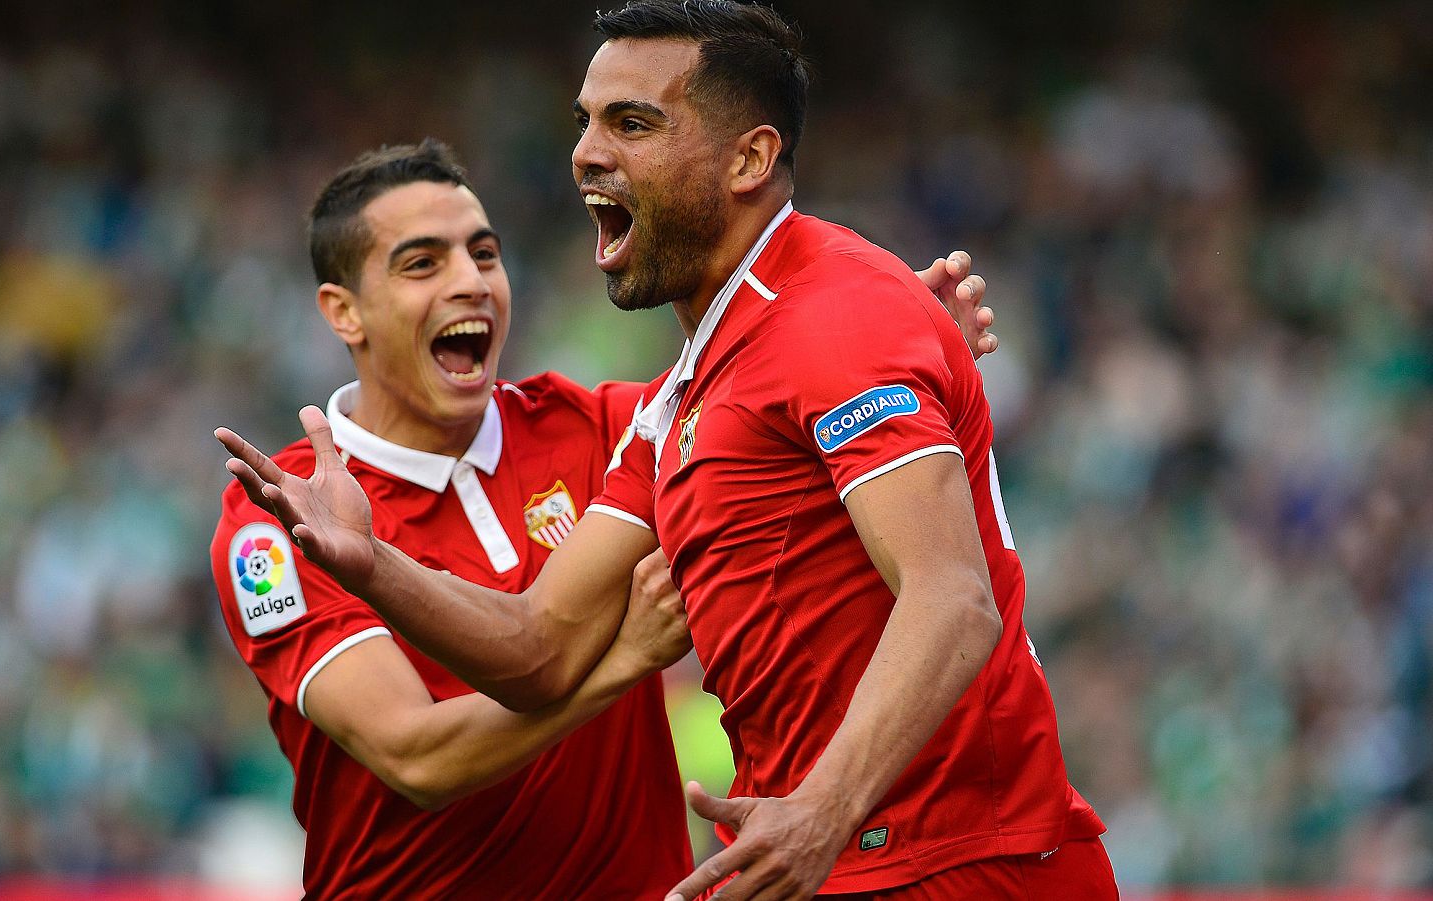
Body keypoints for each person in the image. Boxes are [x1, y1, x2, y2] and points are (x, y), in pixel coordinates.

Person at [210, 138, 998, 898]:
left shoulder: (605, 426)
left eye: (484, 254)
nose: (471, 282)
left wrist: (901, 347)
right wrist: (623, 660)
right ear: (343, 311)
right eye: (423, 263)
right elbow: (416, 756)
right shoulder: (283, 510)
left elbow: (778, 405)